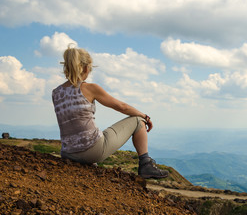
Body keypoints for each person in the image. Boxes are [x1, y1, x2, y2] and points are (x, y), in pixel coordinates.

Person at [52, 45, 168, 179]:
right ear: (85, 68)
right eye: (90, 68)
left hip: (68, 153)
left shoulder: (56, 93)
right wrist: (145, 116)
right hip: (92, 152)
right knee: (137, 121)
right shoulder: (89, 88)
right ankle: (146, 164)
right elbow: (122, 106)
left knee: (102, 132)